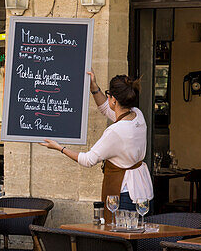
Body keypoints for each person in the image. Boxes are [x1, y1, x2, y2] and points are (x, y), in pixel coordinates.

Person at [39, 72, 153, 220]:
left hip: (125, 192)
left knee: (121, 238)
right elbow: (106, 108)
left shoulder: (115, 131)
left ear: (114, 100)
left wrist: (59, 148)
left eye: (108, 95)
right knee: (139, 237)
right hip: (142, 189)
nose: (108, 99)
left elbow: (88, 160)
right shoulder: (137, 115)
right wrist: (94, 88)